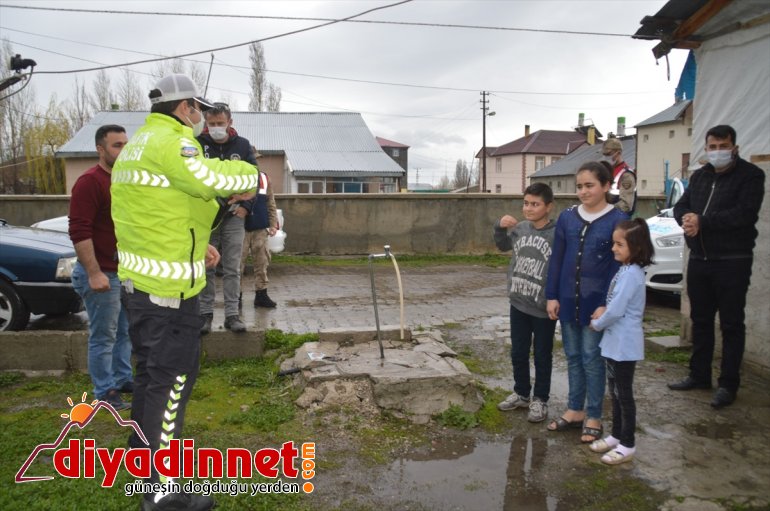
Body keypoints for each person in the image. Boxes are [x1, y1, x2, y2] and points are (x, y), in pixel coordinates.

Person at [111, 74, 259, 511]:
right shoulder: (173, 143)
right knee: (171, 385)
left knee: (149, 380)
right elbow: (205, 176)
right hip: (168, 294)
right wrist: (250, 172)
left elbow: (169, 206)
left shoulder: (138, 145)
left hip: (142, 287)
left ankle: (143, 466)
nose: (201, 116)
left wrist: (203, 244)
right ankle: (161, 493)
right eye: (198, 108)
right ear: (184, 107)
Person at [667, 125, 765, 409]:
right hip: (700, 260)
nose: (717, 151)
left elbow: (744, 215)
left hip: (732, 261)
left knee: (732, 324)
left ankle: (728, 384)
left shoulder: (750, 176)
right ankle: (699, 375)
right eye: (712, 146)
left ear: (734, 147)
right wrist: (686, 219)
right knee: (700, 320)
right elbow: (681, 205)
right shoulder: (699, 176)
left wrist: (703, 222)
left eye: (723, 146)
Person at [545, 161, 627, 443]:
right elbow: (557, 258)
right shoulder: (567, 218)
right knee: (573, 356)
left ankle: (594, 415)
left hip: (596, 304)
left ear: (606, 186)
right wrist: (552, 295)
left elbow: (619, 268)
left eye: (589, 185)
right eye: (579, 186)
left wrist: (607, 303)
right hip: (568, 300)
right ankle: (574, 409)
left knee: (592, 359)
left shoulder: (618, 220)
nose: (583, 191)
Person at [69, 124, 133, 411]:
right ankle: (104, 391)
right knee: (103, 336)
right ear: (101, 149)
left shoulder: (125, 180)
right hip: (100, 273)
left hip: (121, 271)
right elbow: (79, 231)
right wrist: (94, 272)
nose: (123, 150)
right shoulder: (89, 182)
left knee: (124, 331)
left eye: (125, 144)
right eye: (117, 145)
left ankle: (122, 378)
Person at [589, 219, 654, 465]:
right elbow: (613, 304)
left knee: (624, 395)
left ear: (636, 248)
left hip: (625, 345)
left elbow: (616, 310)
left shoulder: (632, 274)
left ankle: (628, 443)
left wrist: (597, 323)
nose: (614, 248)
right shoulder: (625, 270)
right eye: (614, 243)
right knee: (614, 392)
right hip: (615, 343)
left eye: (619, 244)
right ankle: (616, 435)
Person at [493, 183, 557, 423]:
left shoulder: (555, 233)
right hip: (518, 301)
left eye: (535, 204)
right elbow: (501, 245)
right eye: (526, 203)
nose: (529, 209)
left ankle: (540, 399)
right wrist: (499, 227)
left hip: (542, 307)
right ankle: (521, 392)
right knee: (518, 351)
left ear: (548, 207)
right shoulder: (519, 229)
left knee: (542, 354)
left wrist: (554, 296)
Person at [196, 102, 257, 334]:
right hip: (206, 217)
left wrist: (246, 205)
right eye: (211, 124)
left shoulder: (242, 146)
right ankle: (205, 314)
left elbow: (255, 178)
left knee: (232, 267)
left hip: (234, 215)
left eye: (220, 123)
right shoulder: (198, 145)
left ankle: (232, 315)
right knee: (206, 266)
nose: (216, 128)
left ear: (230, 122)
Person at [242, 146, 279, 308]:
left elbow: (270, 203)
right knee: (237, 265)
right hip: (240, 228)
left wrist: (273, 224)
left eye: (255, 158)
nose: (253, 161)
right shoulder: (234, 178)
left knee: (262, 262)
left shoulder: (264, 178)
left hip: (260, 228)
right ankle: (236, 298)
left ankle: (261, 295)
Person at [602, 137, 637, 215]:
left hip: (619, 221)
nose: (605, 157)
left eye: (608, 154)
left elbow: (626, 205)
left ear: (618, 153)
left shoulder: (626, 175)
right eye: (604, 155)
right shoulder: (606, 171)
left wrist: (604, 211)